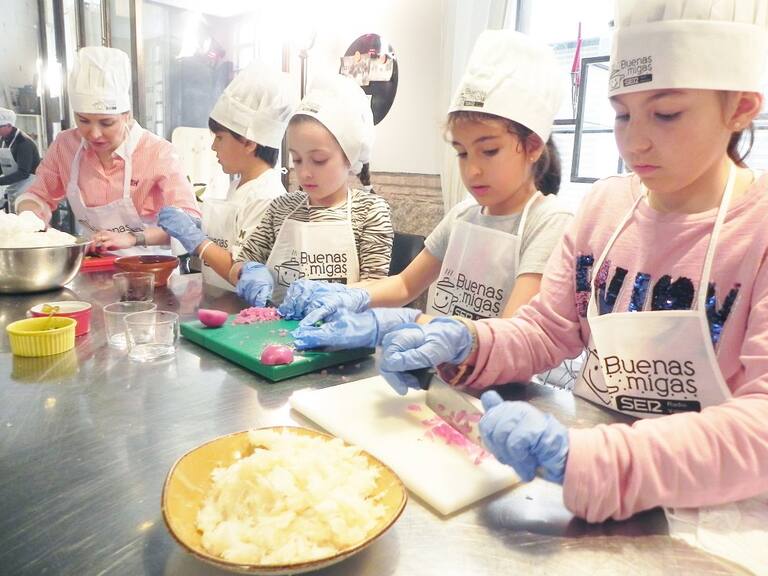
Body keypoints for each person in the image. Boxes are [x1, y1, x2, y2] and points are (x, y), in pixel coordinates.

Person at [378, 0, 768, 523]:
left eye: (666, 113)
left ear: (740, 107)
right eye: (622, 114)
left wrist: (597, 459)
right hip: (587, 488)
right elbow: (546, 331)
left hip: (713, 513)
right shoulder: (605, 208)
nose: (634, 141)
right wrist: (471, 342)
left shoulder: (757, 228)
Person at [285, 30, 573, 352]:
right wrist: (349, 295)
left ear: (532, 146)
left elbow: (510, 334)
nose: (472, 170)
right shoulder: (463, 215)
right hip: (444, 368)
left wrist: (404, 323)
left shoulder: (550, 222)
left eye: (489, 151)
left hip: (503, 380)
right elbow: (405, 284)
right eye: (462, 152)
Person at [15, 47, 199, 255]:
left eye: (106, 123)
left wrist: (134, 238)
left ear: (126, 115)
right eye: (83, 120)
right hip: (94, 262)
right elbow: (38, 195)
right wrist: (30, 216)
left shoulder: (158, 152)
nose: (94, 134)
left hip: (150, 265)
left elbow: (190, 223)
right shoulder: (65, 145)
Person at [230, 73, 393, 305]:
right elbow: (240, 264)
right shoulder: (281, 208)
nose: (305, 172)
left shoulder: (370, 211)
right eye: (297, 160)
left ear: (349, 157)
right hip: (274, 324)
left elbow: (376, 287)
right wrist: (247, 272)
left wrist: (330, 297)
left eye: (318, 160)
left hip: (342, 326)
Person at [157, 61, 296, 291]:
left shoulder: (267, 196)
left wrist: (197, 240)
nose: (213, 146)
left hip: (244, 307)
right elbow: (231, 240)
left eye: (220, 138)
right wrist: (199, 227)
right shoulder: (239, 185)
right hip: (223, 300)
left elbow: (241, 272)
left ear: (249, 143)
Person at [0, 107, 41, 212]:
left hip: (29, 183)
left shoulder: (23, 143)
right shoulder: (3, 140)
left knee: (23, 213)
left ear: (9, 125)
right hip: (15, 181)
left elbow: (23, 173)